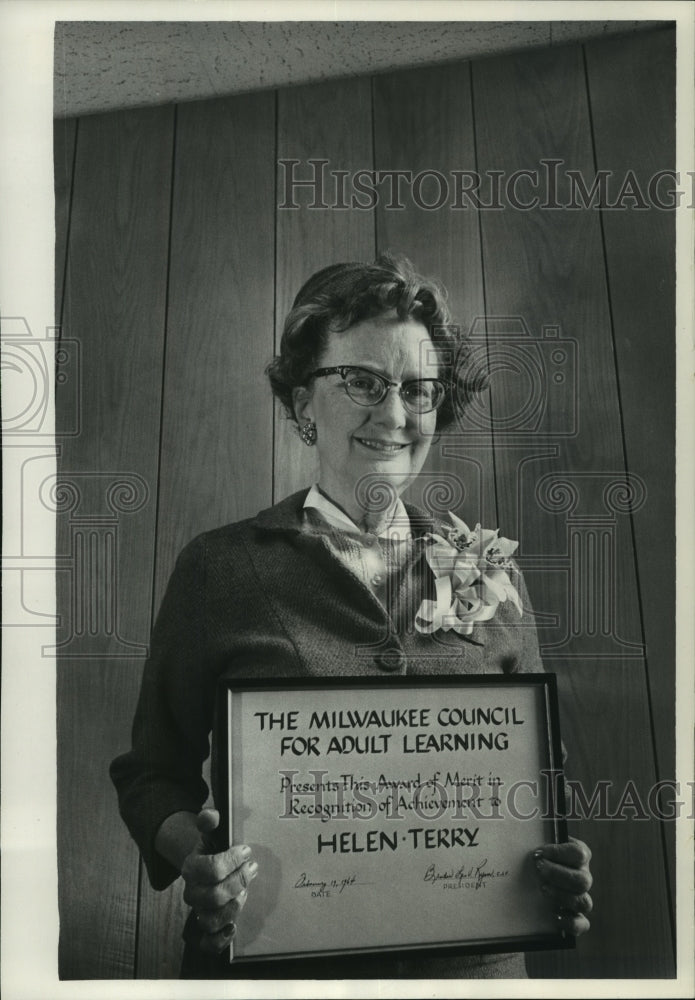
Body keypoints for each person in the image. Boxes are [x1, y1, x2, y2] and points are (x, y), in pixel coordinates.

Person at [110, 253, 593, 979]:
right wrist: (198, 858)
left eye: (418, 390)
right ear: (303, 400)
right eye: (361, 381)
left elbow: (536, 783)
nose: (394, 414)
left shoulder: (497, 573)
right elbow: (153, 773)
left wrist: (555, 863)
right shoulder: (218, 568)